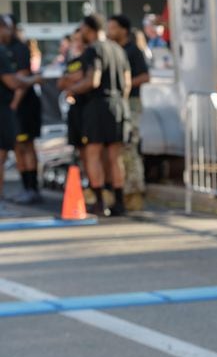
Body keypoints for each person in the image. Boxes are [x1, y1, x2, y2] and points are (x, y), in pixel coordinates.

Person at [65, 14, 131, 217]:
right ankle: (119, 203)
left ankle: (100, 203)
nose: (81, 33)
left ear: (90, 29)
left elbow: (93, 80)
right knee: (115, 156)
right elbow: (127, 82)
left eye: (83, 29)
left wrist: (72, 90)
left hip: (97, 106)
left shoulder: (93, 50)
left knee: (93, 154)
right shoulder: (119, 49)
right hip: (119, 105)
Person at [107, 14, 150, 211]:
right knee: (118, 148)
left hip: (131, 103)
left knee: (129, 146)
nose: (110, 31)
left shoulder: (133, 50)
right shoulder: (113, 49)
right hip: (118, 104)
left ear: (124, 29)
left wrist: (124, 85)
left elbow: (145, 76)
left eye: (113, 28)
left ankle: (134, 192)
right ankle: (121, 191)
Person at [0, 17, 40, 205]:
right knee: (17, 148)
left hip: (23, 108)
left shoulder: (20, 48)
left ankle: (32, 188)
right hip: (10, 108)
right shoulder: (4, 49)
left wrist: (14, 104)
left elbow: (21, 79)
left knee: (26, 146)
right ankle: (26, 187)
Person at [57, 28, 87, 166]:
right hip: (75, 109)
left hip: (89, 109)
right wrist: (72, 79)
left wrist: (73, 81)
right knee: (79, 149)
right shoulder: (72, 61)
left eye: (78, 39)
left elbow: (85, 78)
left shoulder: (90, 58)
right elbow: (61, 83)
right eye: (74, 40)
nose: (76, 43)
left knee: (91, 150)